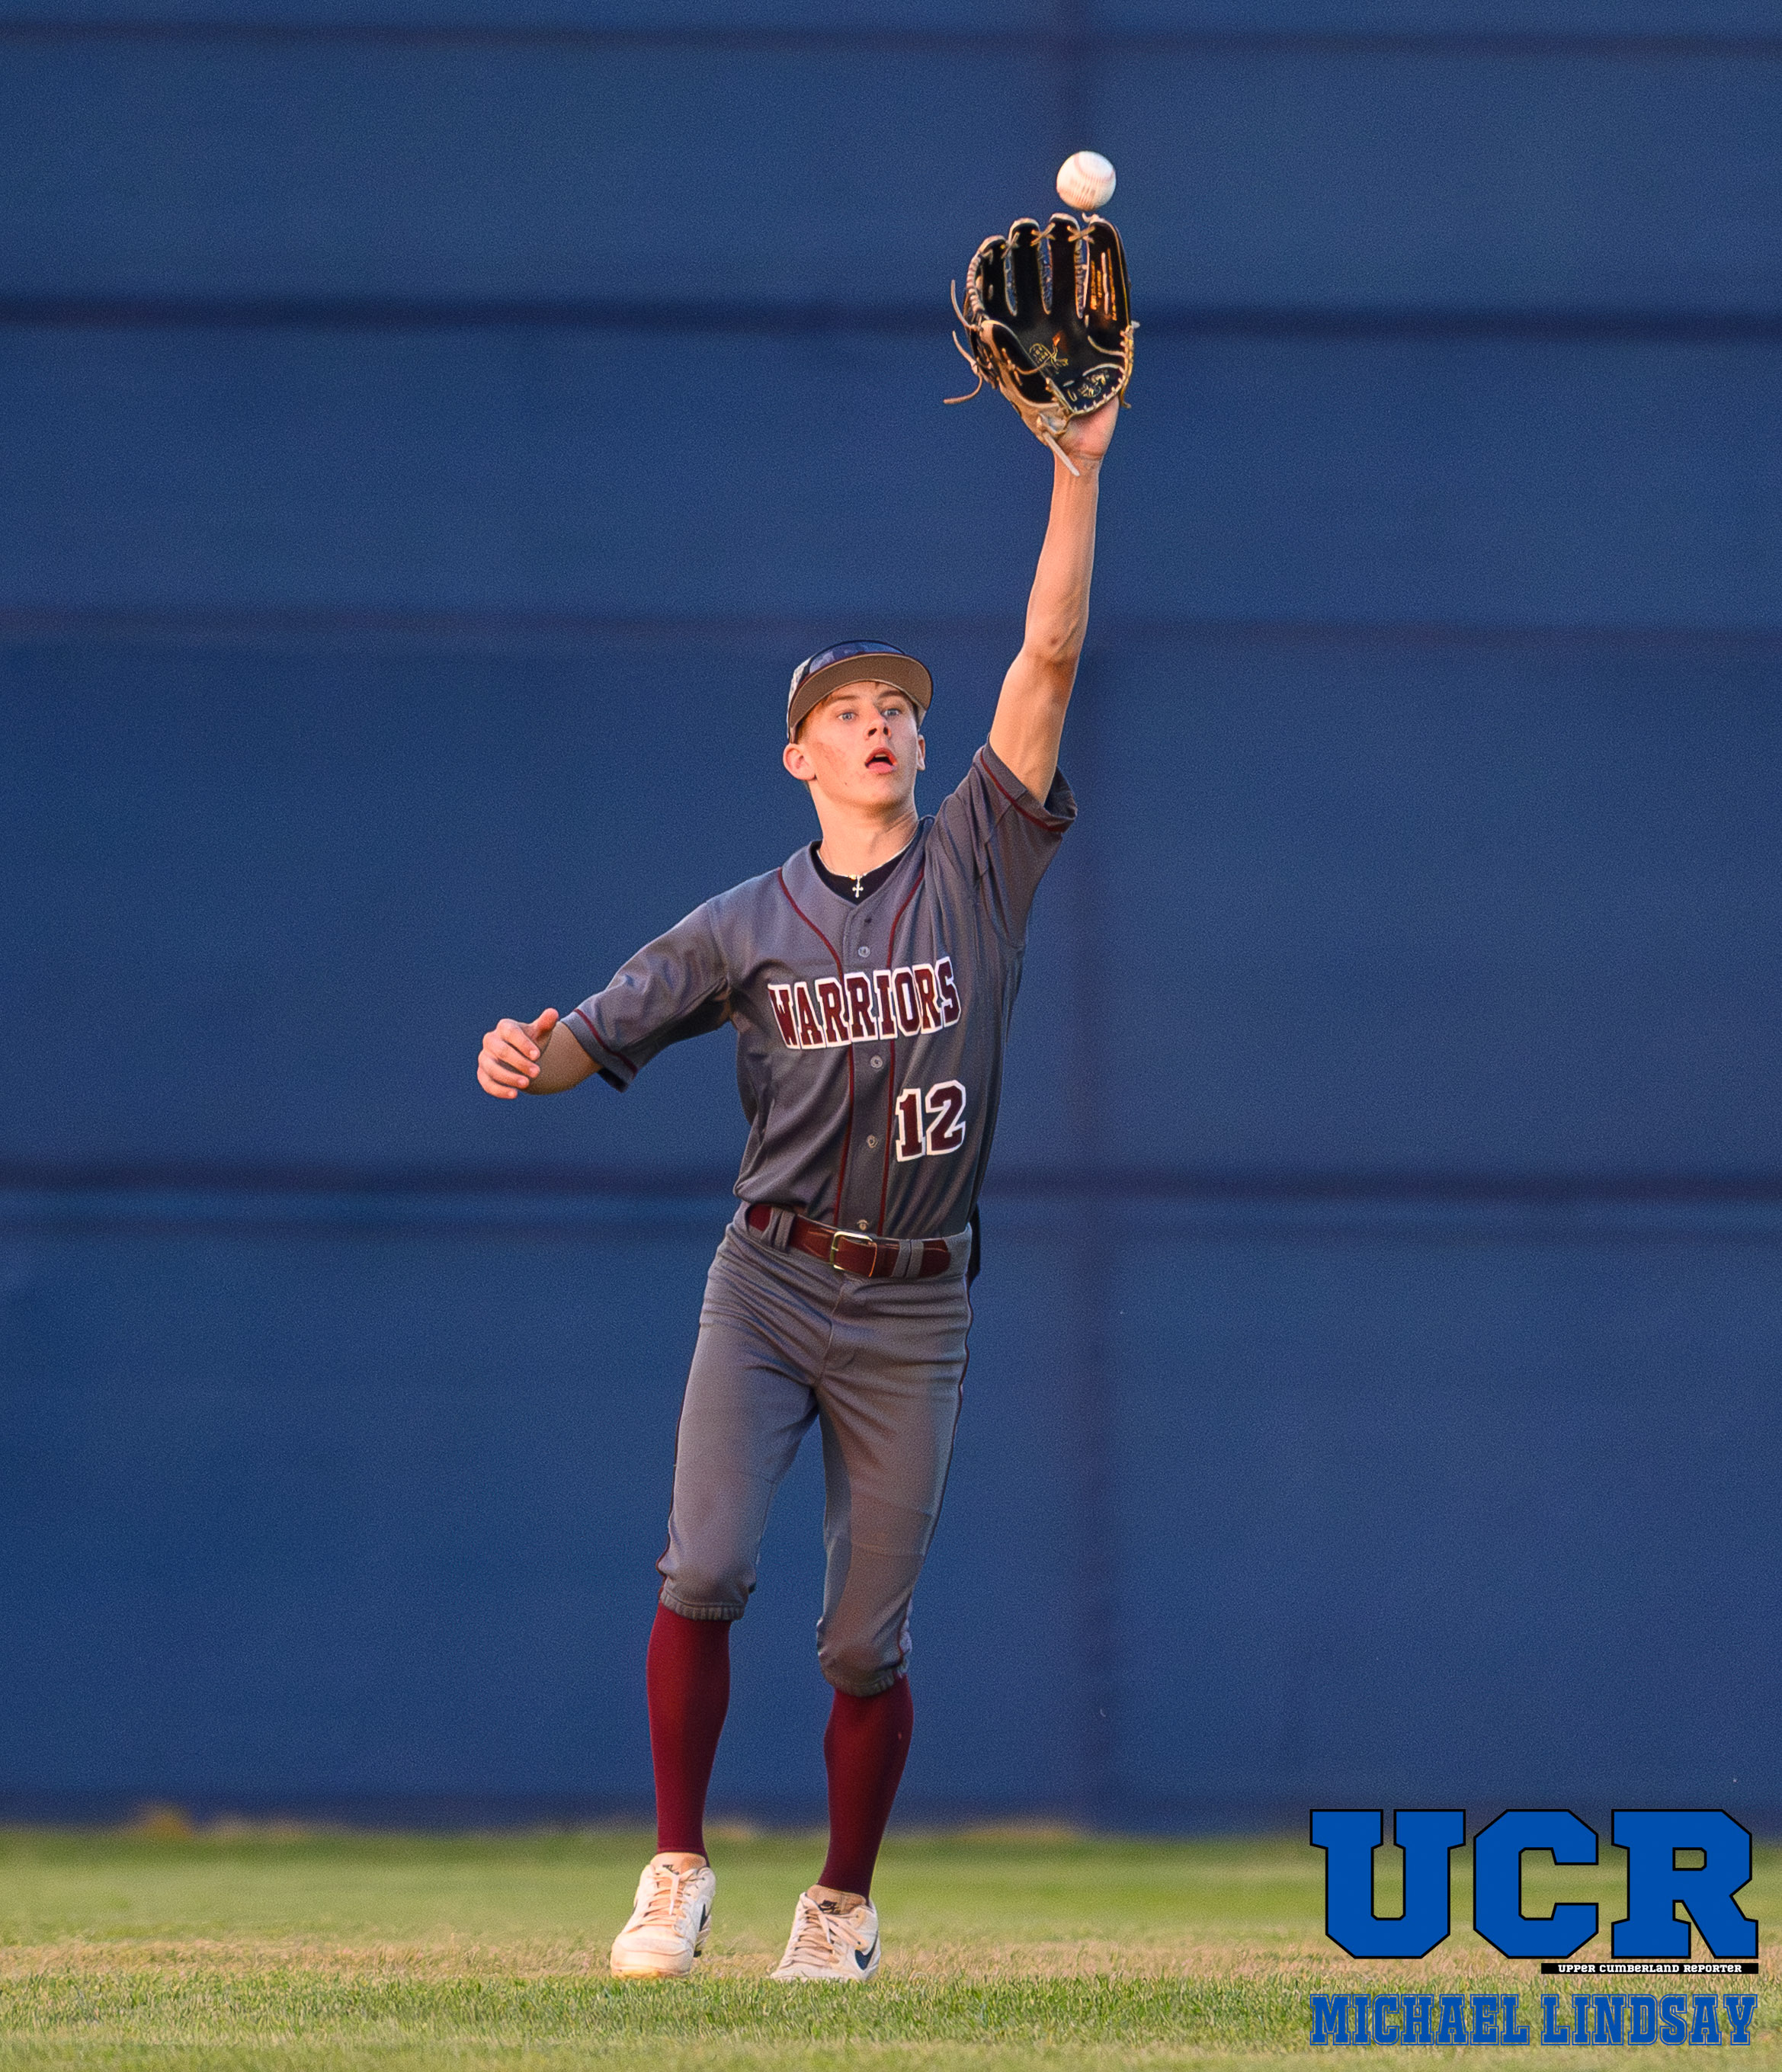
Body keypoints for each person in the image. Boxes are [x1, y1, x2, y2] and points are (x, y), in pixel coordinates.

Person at [476, 395, 1117, 1981]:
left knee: (859, 1641)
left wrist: (1073, 470)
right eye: (845, 711)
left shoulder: (976, 861)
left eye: (896, 707)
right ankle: (674, 1868)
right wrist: (524, 1057)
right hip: (766, 1283)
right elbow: (591, 1037)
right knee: (702, 1566)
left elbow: (1044, 659)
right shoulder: (739, 926)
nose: (879, 724)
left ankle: (838, 1905)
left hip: (915, 1302)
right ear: (798, 755)